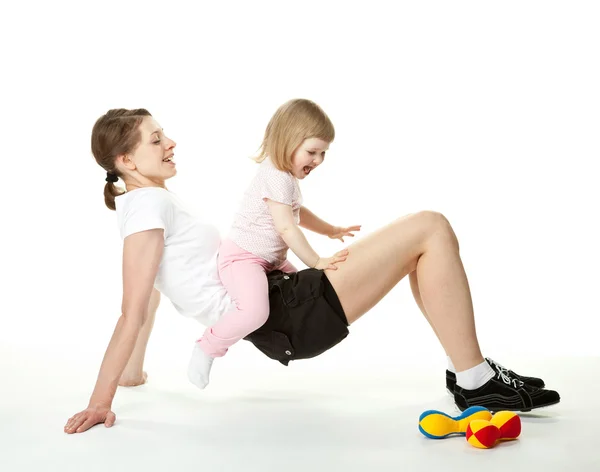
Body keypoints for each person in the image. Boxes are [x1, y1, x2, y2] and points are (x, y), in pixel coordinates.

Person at [64, 107, 560, 435]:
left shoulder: (148, 203)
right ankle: (475, 381)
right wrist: (101, 399)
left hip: (281, 303)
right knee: (430, 227)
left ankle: (472, 376)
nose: (170, 142)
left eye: (164, 133)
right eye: (156, 140)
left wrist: (132, 375)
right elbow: (132, 309)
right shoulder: (147, 209)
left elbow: (150, 290)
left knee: (421, 245)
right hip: (282, 313)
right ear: (126, 160)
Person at [188, 99, 361, 389]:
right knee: (255, 312)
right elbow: (286, 228)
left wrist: (330, 229)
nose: (317, 160)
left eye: (323, 153)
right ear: (286, 142)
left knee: (305, 295)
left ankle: (295, 335)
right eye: (312, 152)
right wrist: (316, 261)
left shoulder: (284, 178)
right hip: (242, 258)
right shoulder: (276, 177)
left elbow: (296, 214)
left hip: (270, 258)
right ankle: (208, 346)